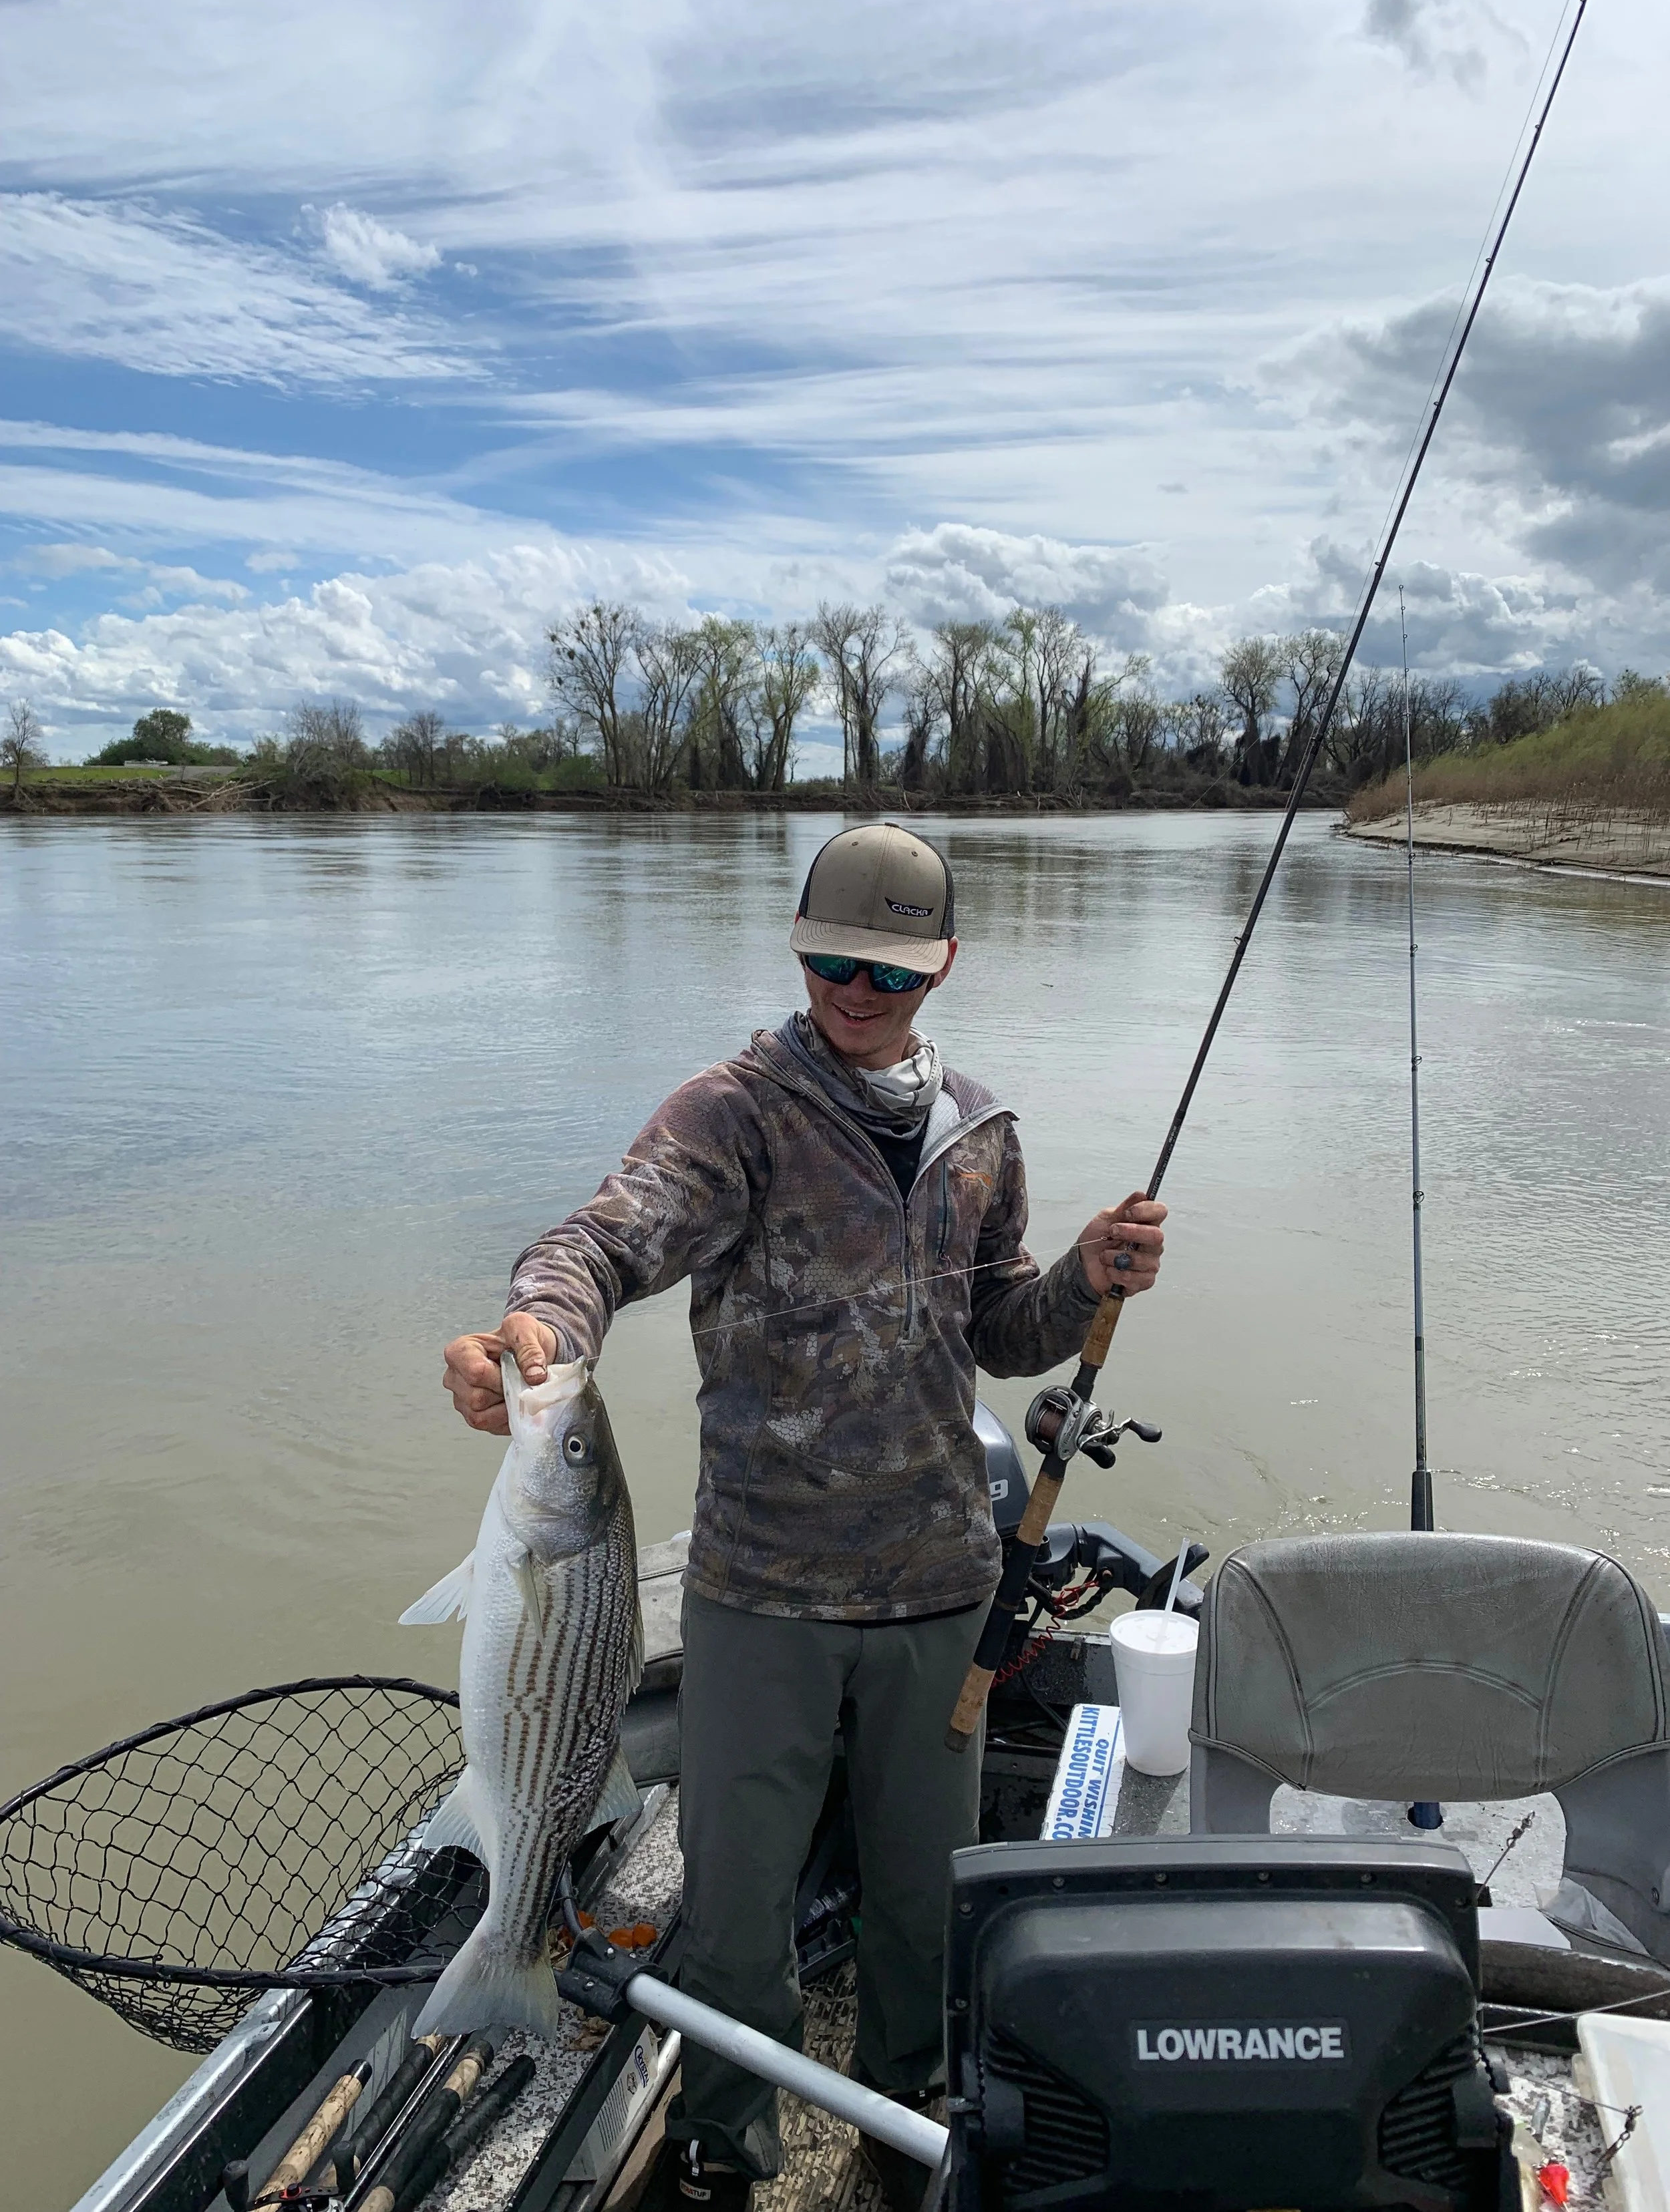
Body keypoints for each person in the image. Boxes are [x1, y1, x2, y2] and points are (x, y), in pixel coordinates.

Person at [443, 822, 1166, 2212]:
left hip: (940, 1583)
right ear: (795, 943)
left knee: (920, 1897)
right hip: (760, 1589)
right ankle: (725, 2147)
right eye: (832, 957)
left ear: (940, 964)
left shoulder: (984, 1131)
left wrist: (1082, 1277)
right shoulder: (732, 1112)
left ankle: (901, 2128)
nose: (854, 988)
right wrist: (532, 1330)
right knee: (731, 1907)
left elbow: (1003, 1331)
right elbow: (603, 1241)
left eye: (886, 968)